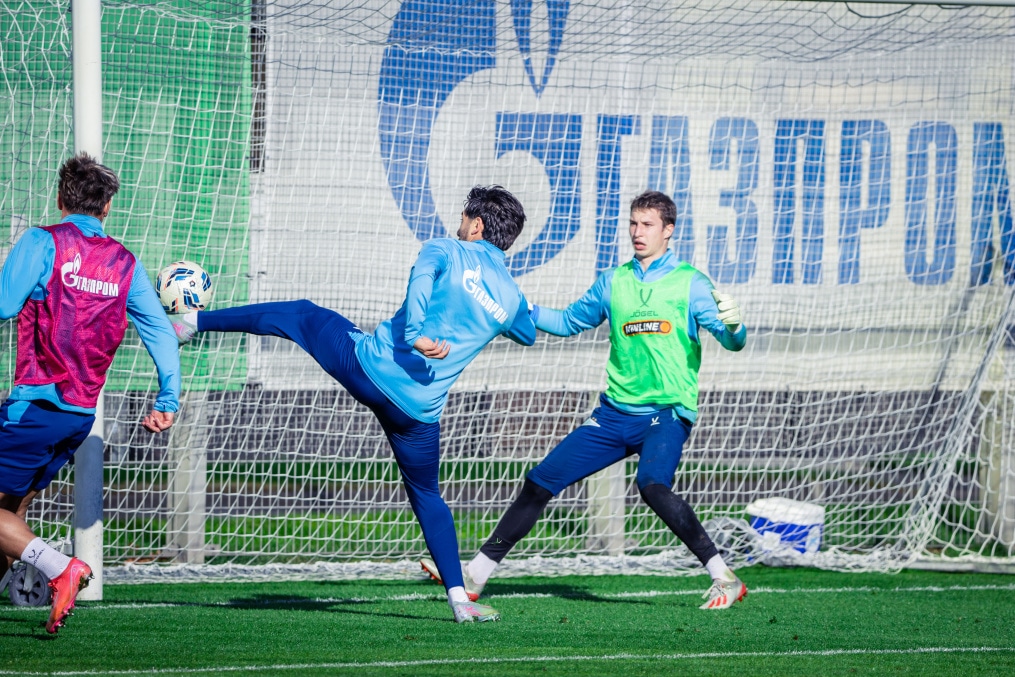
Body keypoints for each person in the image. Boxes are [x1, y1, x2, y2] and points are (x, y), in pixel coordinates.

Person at [173, 185, 535, 623]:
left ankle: (191, 323)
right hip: (418, 413)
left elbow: (422, 280)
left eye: (464, 218)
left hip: (371, 372)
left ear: (476, 226)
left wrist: (414, 334)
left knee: (302, 315)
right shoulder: (511, 297)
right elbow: (532, 330)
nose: (458, 224)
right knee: (427, 495)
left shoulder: (446, 249)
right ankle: (459, 599)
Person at [421, 190, 749, 610]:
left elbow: (730, 340)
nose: (637, 232)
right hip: (613, 415)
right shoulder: (614, 281)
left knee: (651, 485)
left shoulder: (691, 284)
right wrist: (518, 304)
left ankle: (723, 577)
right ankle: (475, 574)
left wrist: (735, 328)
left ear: (669, 230)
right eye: (633, 223)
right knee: (540, 481)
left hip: (666, 413)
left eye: (647, 225)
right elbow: (566, 322)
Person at [0, 153, 181, 633]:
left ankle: (61, 568)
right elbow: (161, 334)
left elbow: (3, 304)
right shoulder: (125, 263)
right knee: (10, 509)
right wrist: (167, 399)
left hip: (35, 403)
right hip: (80, 416)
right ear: (106, 209)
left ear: (61, 199)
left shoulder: (43, 241)